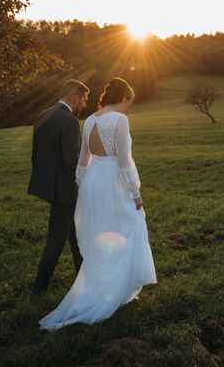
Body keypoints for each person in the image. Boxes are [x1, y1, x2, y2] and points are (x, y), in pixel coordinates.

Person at [39, 77, 157, 331]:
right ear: (123, 98)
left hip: (93, 183)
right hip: (113, 182)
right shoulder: (119, 120)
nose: (128, 108)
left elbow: (83, 161)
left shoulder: (90, 119)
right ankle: (115, 290)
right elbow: (124, 161)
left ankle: (102, 285)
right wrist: (135, 193)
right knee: (124, 229)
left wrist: (84, 188)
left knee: (100, 235)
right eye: (129, 102)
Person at [28, 79, 90, 295]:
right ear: (75, 98)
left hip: (49, 188)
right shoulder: (70, 121)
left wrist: (47, 184)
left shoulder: (43, 115)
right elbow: (73, 161)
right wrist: (87, 183)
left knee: (76, 237)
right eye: (83, 100)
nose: (84, 105)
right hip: (65, 191)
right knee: (56, 240)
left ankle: (84, 281)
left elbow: (36, 156)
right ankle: (38, 290)